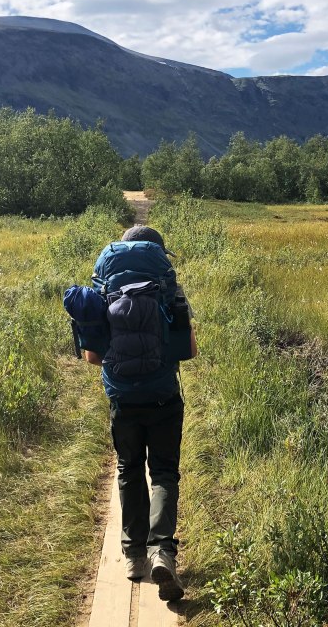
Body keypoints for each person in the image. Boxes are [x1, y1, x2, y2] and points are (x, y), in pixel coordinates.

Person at [81, 225, 197, 603]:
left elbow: (93, 356)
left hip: (123, 401)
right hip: (164, 396)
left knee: (129, 470)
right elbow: (188, 351)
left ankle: (133, 558)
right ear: (158, 255)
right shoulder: (168, 289)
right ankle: (161, 551)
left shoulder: (103, 289)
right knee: (163, 472)